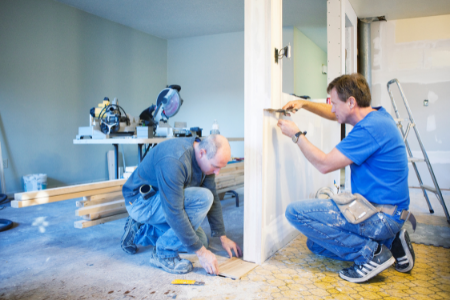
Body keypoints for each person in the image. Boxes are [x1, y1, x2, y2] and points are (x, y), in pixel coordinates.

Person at [277, 73, 415, 283]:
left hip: (380, 215)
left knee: (294, 213)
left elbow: (324, 164)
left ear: (351, 102)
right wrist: (305, 103)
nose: (332, 108)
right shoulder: (377, 116)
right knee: (315, 244)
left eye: (334, 103)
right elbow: (337, 114)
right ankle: (390, 243)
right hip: (387, 211)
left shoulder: (369, 129)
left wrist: (296, 134)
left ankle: (372, 253)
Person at [120, 134, 242, 275]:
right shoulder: (174, 159)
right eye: (215, 167)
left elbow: (214, 197)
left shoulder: (205, 159)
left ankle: (142, 229)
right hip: (140, 202)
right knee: (203, 199)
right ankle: (163, 253)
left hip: (163, 200)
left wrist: (222, 237)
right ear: (203, 153)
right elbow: (174, 212)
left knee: (201, 241)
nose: (217, 173)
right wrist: (202, 254)